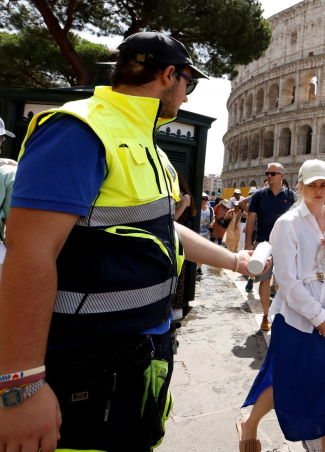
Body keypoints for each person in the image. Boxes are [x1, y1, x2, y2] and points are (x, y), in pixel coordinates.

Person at [0, 31, 256, 452]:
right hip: (84, 362)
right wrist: (22, 383)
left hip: (138, 355)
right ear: (169, 75)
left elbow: (161, 227)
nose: (187, 99)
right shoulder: (79, 130)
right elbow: (29, 253)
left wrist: (235, 261)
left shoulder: (145, 140)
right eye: (187, 85)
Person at [238, 160, 325, 452]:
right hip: (297, 317)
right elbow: (286, 281)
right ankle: (250, 423)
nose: (319, 190)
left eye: (324, 184)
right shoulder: (287, 224)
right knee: (285, 378)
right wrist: (319, 316)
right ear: (300, 187)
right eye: (313, 185)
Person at [244, 163, 295, 330]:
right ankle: (266, 316)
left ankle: (280, 315)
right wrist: (248, 244)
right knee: (264, 281)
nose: (269, 176)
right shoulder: (259, 195)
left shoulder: (291, 196)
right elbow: (251, 219)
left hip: (285, 244)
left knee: (283, 281)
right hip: (263, 243)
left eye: (273, 173)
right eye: (267, 173)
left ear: (282, 175)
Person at [172, 174, 196, 319]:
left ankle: (176, 308)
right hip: (172, 236)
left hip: (179, 237)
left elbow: (174, 217)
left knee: (179, 273)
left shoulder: (185, 197)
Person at [196, 193, 215, 275]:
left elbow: (213, 219)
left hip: (206, 232)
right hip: (196, 232)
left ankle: (199, 267)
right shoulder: (196, 208)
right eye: (202, 199)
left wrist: (212, 223)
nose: (204, 201)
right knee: (196, 250)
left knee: (202, 251)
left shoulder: (210, 209)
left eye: (205, 199)